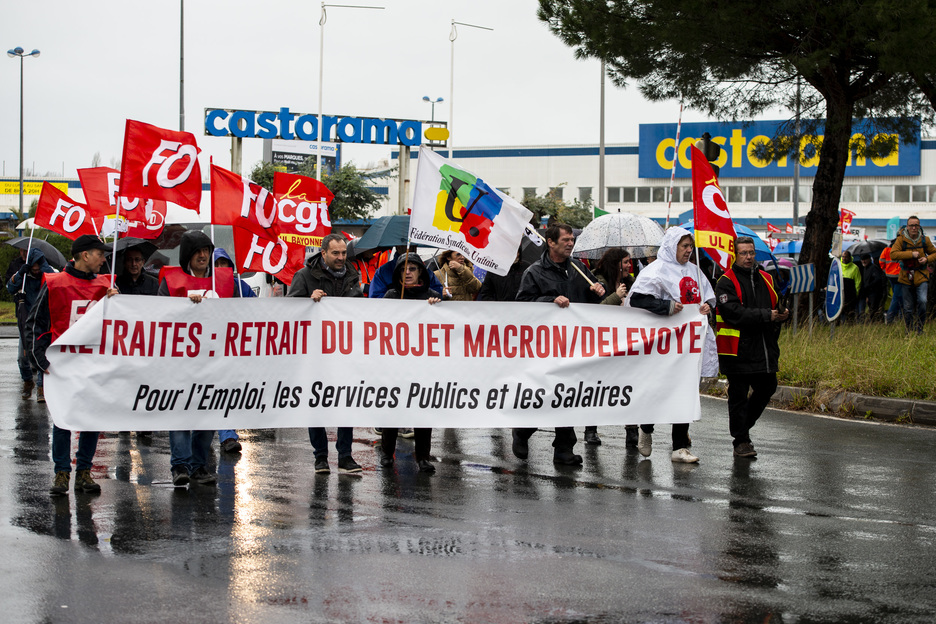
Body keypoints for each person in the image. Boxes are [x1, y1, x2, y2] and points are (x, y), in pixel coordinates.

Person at [24, 235, 118, 495]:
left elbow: (121, 324)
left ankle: (85, 471)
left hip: (94, 364)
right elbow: (36, 323)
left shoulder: (107, 286)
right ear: (85, 255)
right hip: (63, 365)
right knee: (63, 420)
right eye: (100, 254)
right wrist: (39, 360)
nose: (104, 259)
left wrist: (117, 303)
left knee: (91, 418)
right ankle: (62, 473)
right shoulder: (56, 284)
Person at [513, 223, 605, 466]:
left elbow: (591, 304)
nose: (570, 243)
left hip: (573, 345)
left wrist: (598, 292)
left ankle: (564, 448)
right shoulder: (534, 272)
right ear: (550, 242)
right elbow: (522, 305)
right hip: (546, 347)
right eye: (565, 239)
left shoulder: (579, 269)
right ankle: (523, 431)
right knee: (545, 394)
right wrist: (549, 300)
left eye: (571, 240)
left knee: (568, 396)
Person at [625, 226, 716, 464]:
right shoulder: (656, 271)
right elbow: (637, 299)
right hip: (662, 343)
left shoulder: (695, 271)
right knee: (658, 388)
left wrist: (705, 307)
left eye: (690, 247)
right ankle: (646, 427)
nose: (688, 251)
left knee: (685, 390)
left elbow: (704, 299)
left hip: (687, 343)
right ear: (672, 246)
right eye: (684, 246)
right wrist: (665, 306)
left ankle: (680, 447)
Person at [158, 230, 235, 487]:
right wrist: (183, 306)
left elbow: (241, 314)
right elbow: (158, 317)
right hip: (180, 363)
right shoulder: (170, 282)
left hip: (213, 362)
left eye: (207, 251)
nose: (203, 256)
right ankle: (180, 465)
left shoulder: (224, 282)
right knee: (180, 413)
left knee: (208, 414)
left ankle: (199, 465)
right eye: (198, 251)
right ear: (187, 256)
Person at [287, 233, 364, 475]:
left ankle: (345, 456)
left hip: (343, 351)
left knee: (346, 401)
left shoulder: (353, 276)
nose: (341, 257)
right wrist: (307, 301)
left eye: (343, 253)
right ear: (323, 254)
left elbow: (360, 308)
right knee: (316, 402)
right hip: (314, 352)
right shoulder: (304, 276)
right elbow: (289, 309)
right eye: (336, 253)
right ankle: (320, 457)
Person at [715, 236, 789, 458]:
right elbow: (733, 313)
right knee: (738, 396)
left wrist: (784, 314)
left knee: (768, 387)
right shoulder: (725, 281)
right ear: (735, 255)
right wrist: (767, 315)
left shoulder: (766, 278)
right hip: (736, 350)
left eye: (751, 253)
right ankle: (741, 441)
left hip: (764, 348)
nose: (748, 257)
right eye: (744, 253)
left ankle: (742, 428)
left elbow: (776, 305)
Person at [379, 253, 442, 473]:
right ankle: (387, 453)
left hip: (424, 363)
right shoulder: (391, 295)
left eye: (412, 268)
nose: (407, 272)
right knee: (393, 407)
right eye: (403, 268)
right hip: (396, 362)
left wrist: (437, 306)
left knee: (423, 409)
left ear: (420, 272)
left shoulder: (433, 295)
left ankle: (423, 457)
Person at [591, 248, 637, 447]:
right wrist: (616, 296)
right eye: (625, 262)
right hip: (602, 343)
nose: (628, 266)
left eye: (629, 262)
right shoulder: (595, 281)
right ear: (614, 263)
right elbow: (592, 312)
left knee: (631, 385)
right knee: (597, 386)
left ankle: (632, 429)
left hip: (627, 343)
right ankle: (591, 428)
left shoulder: (633, 283)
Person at [213, 248, 255, 454]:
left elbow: (259, 310)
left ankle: (227, 435)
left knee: (224, 390)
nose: (221, 269)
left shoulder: (240, 287)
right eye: (217, 264)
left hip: (231, 348)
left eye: (225, 264)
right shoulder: (201, 287)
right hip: (206, 349)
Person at [7, 247, 54, 402]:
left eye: (38, 265)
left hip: (43, 323)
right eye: (33, 265)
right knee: (22, 357)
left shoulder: (47, 275)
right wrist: (21, 273)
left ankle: (41, 387)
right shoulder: (24, 277)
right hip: (26, 322)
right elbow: (10, 287)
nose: (35, 269)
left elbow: (55, 281)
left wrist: (44, 266)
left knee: (41, 354)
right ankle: (28, 381)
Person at [890, 216, 936, 335]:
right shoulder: (901, 240)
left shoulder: (925, 239)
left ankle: (920, 329)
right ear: (907, 227)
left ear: (919, 226)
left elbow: (934, 253)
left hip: (921, 275)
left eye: (916, 225)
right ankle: (909, 330)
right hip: (906, 276)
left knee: (922, 301)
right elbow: (893, 254)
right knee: (908, 307)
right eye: (911, 225)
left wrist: (926, 259)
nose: (914, 228)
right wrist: (911, 254)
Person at [857, 253, 886, 322]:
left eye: (865, 260)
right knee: (872, 310)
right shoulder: (865, 268)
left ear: (869, 259)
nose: (863, 261)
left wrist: (869, 285)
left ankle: (876, 322)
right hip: (869, 293)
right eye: (862, 260)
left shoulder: (873, 267)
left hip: (875, 292)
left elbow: (878, 279)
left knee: (874, 310)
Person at [880, 243, 903, 323]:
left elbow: (881, 261)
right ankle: (890, 318)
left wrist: (886, 271)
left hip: (890, 276)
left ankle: (900, 316)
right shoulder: (901, 248)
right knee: (897, 297)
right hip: (899, 276)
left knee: (898, 295)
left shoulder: (887, 249)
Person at [840, 250, 861, 322]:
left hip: (850, 294)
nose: (844, 258)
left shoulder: (855, 268)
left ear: (849, 258)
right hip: (840, 294)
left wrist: (856, 293)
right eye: (843, 256)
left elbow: (858, 282)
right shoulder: (839, 266)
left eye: (846, 257)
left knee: (849, 313)